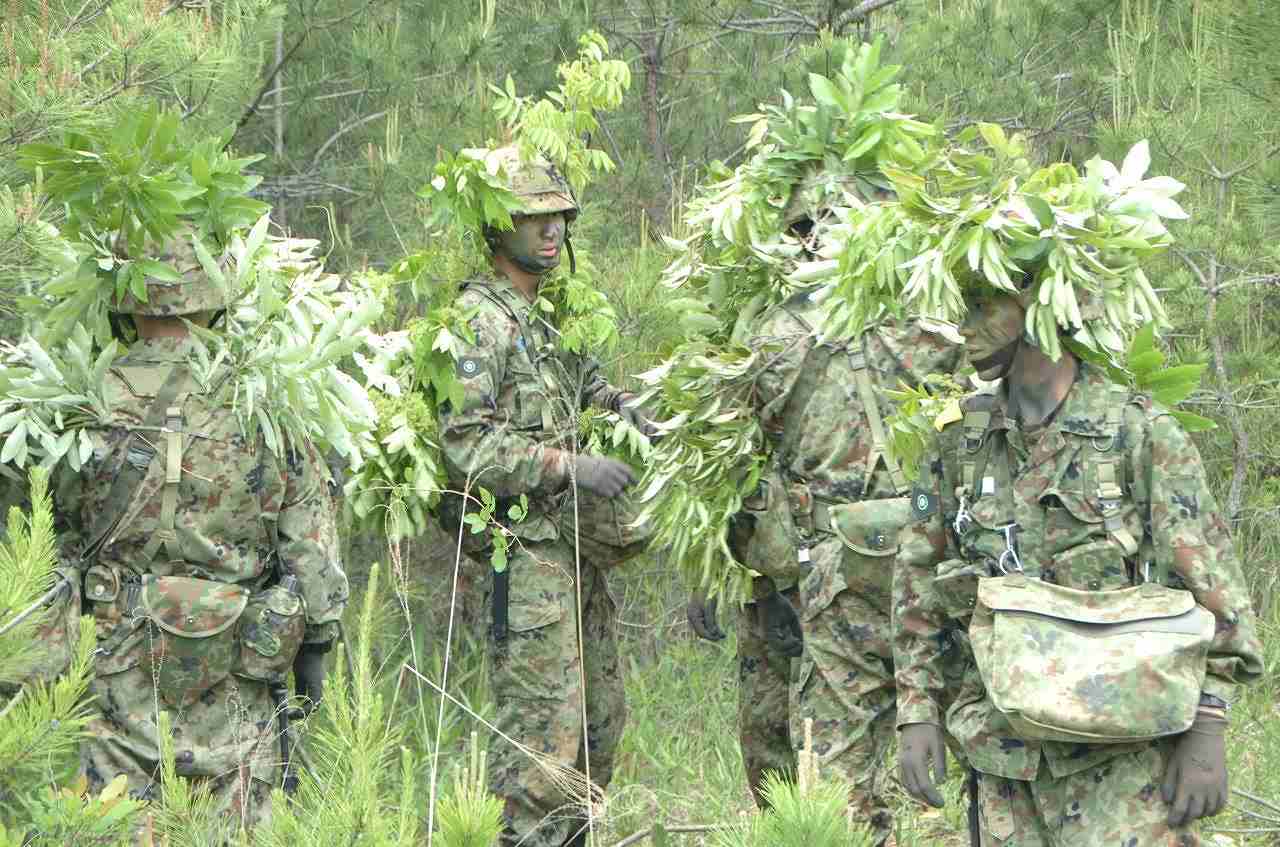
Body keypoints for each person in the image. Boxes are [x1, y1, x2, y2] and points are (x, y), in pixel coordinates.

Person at [894, 287, 1264, 845]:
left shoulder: (1137, 434)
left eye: (983, 310)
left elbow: (1212, 585)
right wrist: (917, 710)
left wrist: (1208, 725)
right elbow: (920, 579)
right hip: (1002, 757)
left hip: (1122, 759)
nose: (965, 331)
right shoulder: (960, 445)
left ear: (1044, 307)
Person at [690, 170, 964, 843]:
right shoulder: (934, 324)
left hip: (834, 570)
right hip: (935, 560)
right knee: (968, 745)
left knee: (840, 773)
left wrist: (711, 564)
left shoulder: (772, 337)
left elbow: (730, 461)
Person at [52, 232, 348, 837]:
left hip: (113, 661)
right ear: (216, 301)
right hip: (235, 667)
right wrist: (313, 653)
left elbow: (40, 533)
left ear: (126, 300)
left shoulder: (79, 401)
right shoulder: (264, 403)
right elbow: (311, 553)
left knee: (113, 820)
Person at [436, 146, 643, 847]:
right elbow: (463, 442)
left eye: (559, 217)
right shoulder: (478, 321)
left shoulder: (544, 318)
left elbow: (584, 390)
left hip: (573, 553)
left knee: (599, 727)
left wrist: (624, 406)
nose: (550, 231)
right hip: (519, 561)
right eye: (533, 219)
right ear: (499, 227)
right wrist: (565, 464)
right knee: (540, 749)